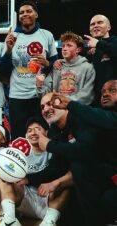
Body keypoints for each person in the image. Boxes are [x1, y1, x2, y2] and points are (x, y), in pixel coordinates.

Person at [50, 80, 117, 225]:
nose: (105, 94)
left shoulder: (103, 118)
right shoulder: (96, 120)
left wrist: (70, 104)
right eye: (103, 92)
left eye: (112, 90)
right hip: (110, 174)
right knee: (79, 168)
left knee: (110, 199)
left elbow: (108, 120)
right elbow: (81, 150)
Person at [0, 1, 58, 139]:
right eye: (22, 12)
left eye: (29, 11)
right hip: (17, 96)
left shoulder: (46, 35)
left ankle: (42, 161)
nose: (25, 14)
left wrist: (47, 63)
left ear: (36, 14)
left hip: (40, 95)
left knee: (42, 135)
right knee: (19, 136)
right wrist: (9, 50)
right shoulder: (12, 37)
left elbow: (56, 64)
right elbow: (2, 68)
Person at [37, 31, 95, 105]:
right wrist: (39, 85)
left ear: (78, 50)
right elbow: (46, 95)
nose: (64, 48)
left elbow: (87, 97)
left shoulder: (88, 68)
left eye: (69, 45)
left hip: (77, 112)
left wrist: (63, 102)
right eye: (63, 46)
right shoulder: (57, 66)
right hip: (58, 111)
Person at [85, 15, 117, 106]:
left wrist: (98, 44)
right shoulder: (90, 51)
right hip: (96, 101)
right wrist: (60, 62)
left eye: (100, 22)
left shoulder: (114, 41)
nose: (95, 25)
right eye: (92, 24)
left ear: (109, 27)